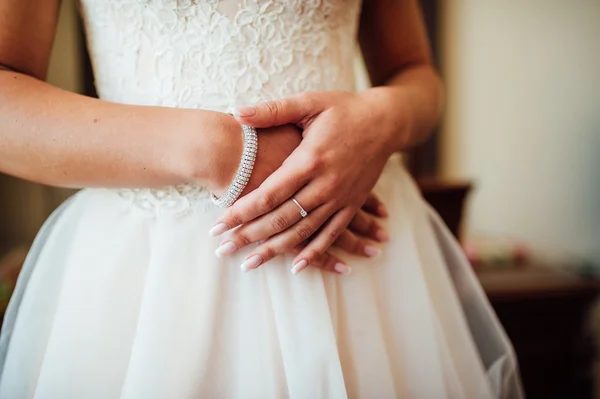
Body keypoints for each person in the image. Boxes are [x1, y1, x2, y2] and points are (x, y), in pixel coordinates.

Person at [0, 0, 523, 397]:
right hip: (151, 278)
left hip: (357, 254)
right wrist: (219, 148)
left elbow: (417, 74)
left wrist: (380, 119)